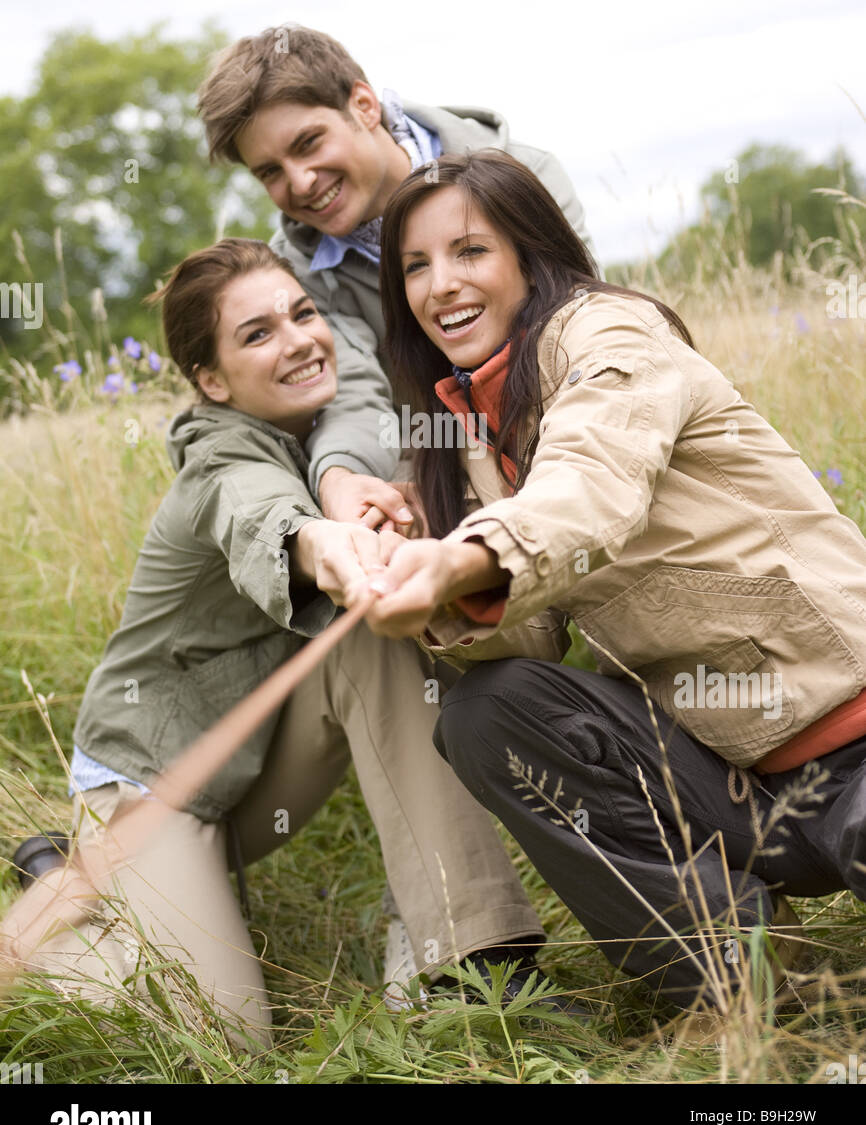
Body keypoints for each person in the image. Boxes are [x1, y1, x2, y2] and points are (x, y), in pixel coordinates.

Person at [349, 148, 866, 1034]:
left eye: (469, 251)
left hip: (853, 744)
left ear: (530, 253)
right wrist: (429, 580)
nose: (440, 286)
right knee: (488, 713)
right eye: (415, 267)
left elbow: (589, 488)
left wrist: (469, 555)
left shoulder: (610, 339)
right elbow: (536, 636)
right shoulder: (466, 426)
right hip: (735, 780)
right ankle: (730, 987)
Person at [9, 237, 544, 1050]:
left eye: (302, 314)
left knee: (374, 632)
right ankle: (65, 890)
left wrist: (342, 493)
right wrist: (319, 542)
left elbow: (361, 376)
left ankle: (478, 958)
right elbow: (256, 510)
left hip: (260, 767)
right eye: (257, 334)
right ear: (212, 382)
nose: (297, 340)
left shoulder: (329, 400)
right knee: (224, 1037)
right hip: (157, 786)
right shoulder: (220, 457)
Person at [196, 23, 600, 531]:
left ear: (364, 106)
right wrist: (339, 479)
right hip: (433, 456)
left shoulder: (527, 173)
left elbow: (576, 328)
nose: (299, 182)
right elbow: (353, 391)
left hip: (562, 428)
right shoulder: (295, 272)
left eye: (308, 143)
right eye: (270, 172)